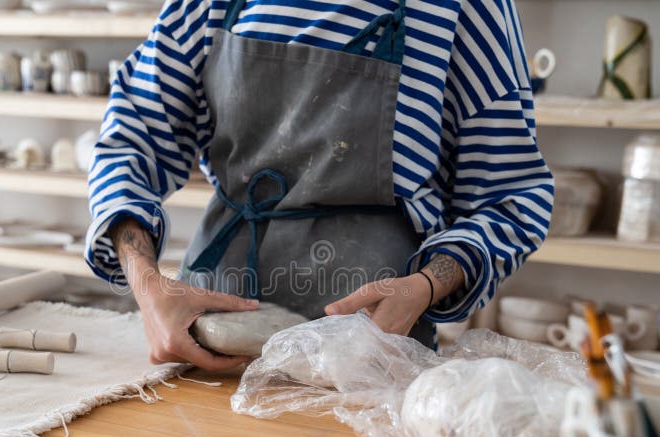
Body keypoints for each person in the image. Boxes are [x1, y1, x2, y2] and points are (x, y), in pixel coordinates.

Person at [85, 0, 552, 370]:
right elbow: (133, 136)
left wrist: (428, 285)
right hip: (206, 341)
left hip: (369, 353)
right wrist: (146, 285)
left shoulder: (461, 8)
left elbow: (508, 198)